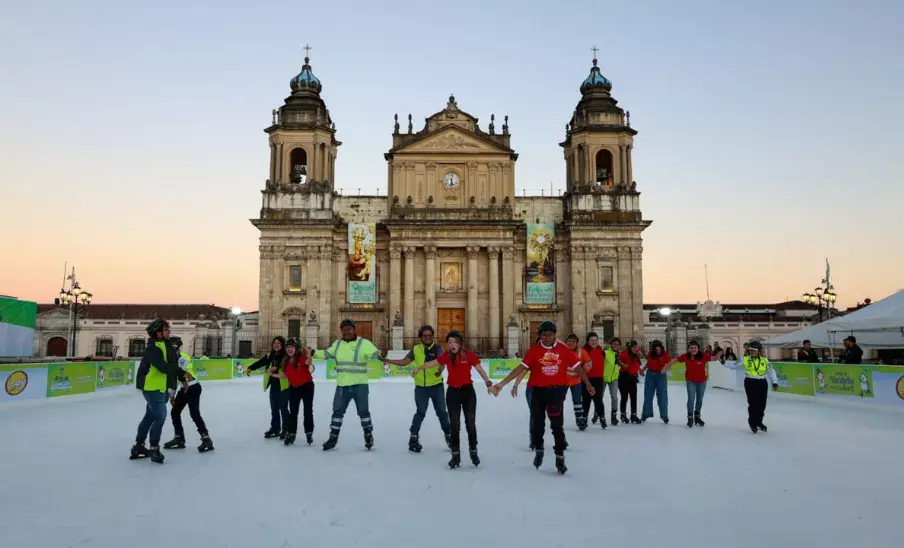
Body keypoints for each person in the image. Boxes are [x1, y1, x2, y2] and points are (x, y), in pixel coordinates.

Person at [493, 321, 595, 475]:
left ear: (555, 335)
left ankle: (560, 457)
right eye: (544, 335)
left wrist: (587, 384)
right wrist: (502, 383)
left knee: (557, 426)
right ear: (540, 335)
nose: (547, 337)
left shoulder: (564, 350)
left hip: (555, 392)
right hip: (538, 392)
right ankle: (539, 449)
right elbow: (520, 369)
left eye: (550, 334)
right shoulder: (534, 351)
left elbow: (578, 368)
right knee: (538, 425)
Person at [310, 319, 383, 451]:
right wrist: (313, 352)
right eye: (343, 330)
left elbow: (374, 354)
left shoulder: (363, 343)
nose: (346, 332)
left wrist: (381, 354)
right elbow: (327, 354)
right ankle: (333, 437)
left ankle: (368, 435)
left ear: (354, 329)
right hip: (342, 385)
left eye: (349, 329)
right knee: (337, 411)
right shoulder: (337, 344)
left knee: (363, 411)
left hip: (360, 385)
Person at [426, 330, 493, 468]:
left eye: (455, 342)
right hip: (452, 393)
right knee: (454, 425)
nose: (452, 344)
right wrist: (420, 367)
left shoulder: (468, 355)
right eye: (450, 342)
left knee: (470, 424)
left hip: (468, 392)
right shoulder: (446, 356)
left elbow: (480, 370)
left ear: (460, 343)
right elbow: (433, 363)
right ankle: (455, 455)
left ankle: (473, 451)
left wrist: (488, 383)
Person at [382, 324, 452, 452]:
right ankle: (413, 437)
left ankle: (449, 436)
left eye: (430, 335)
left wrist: (440, 370)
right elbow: (404, 362)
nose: (428, 337)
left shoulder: (438, 349)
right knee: (420, 412)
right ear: (421, 337)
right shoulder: (415, 349)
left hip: (436, 386)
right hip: (421, 388)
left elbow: (442, 362)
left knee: (442, 412)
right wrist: (389, 361)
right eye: (425, 335)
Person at [131, 319, 177, 464]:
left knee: (150, 417)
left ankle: (139, 446)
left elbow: (172, 366)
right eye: (166, 330)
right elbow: (163, 367)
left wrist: (172, 389)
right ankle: (154, 448)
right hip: (151, 387)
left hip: (161, 387)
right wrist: (182, 373)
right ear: (158, 333)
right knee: (160, 417)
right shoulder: (152, 348)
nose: (169, 332)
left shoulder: (166, 346)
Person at [162, 336, 213, 452]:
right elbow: (176, 377)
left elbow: (181, 374)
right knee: (176, 412)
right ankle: (180, 438)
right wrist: (172, 394)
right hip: (186, 387)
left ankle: (205, 438)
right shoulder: (174, 358)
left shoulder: (181, 358)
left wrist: (173, 393)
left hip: (192, 386)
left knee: (194, 413)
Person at [668, 340, 721, 427]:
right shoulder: (686, 356)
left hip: (702, 381)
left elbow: (713, 358)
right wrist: (667, 365)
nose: (693, 349)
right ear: (689, 349)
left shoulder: (703, 355)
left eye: (695, 348)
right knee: (691, 399)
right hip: (690, 381)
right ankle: (690, 418)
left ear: (698, 349)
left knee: (699, 400)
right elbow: (675, 360)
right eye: (691, 348)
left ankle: (697, 417)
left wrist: (718, 356)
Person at [246, 336, 288, 439]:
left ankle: (286, 430)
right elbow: (261, 362)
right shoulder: (270, 355)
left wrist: (276, 367)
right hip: (274, 384)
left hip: (284, 385)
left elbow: (284, 363)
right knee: (274, 408)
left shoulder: (286, 355)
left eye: (278, 343)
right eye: (274, 343)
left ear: (282, 345)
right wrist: (251, 367)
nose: (276, 345)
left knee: (283, 408)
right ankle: (275, 429)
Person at [281, 337, 315, 446]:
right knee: (293, 412)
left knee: (307, 411)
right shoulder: (286, 360)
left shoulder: (301, 357)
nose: (289, 349)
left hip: (307, 387)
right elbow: (285, 375)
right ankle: (292, 433)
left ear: (297, 348)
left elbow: (308, 362)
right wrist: (273, 374)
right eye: (288, 347)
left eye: (292, 347)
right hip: (293, 388)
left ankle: (309, 432)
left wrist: (309, 354)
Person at [743, 341, 779, 434]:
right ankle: (752, 422)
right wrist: (723, 362)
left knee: (762, 404)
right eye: (750, 350)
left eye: (754, 350)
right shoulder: (745, 359)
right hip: (750, 382)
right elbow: (733, 365)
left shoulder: (765, 360)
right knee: (753, 404)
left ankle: (759, 421)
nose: (752, 352)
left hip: (762, 382)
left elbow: (771, 371)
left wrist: (774, 382)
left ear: (759, 351)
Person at [581, 332, 608, 429]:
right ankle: (584, 418)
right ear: (587, 341)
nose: (594, 342)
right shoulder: (583, 351)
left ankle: (602, 417)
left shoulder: (601, 350)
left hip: (598, 378)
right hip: (586, 378)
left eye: (596, 340)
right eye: (592, 340)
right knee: (586, 399)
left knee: (598, 399)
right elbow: (579, 364)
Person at [564, 333, 591, 430]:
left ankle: (580, 420)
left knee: (578, 401)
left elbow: (589, 363)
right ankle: (557, 420)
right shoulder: (562, 351)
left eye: (573, 341)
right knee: (559, 400)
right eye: (569, 341)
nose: (571, 343)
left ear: (577, 343)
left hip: (576, 381)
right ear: (566, 342)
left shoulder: (582, 352)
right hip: (563, 380)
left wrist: (585, 369)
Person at [641, 340, 670, 423]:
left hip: (661, 375)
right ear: (653, 349)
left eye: (659, 349)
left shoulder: (665, 354)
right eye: (656, 349)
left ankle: (664, 415)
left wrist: (665, 369)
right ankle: (645, 414)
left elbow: (669, 364)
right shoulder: (650, 354)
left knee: (662, 396)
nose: (658, 350)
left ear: (661, 348)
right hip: (650, 375)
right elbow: (648, 363)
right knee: (648, 395)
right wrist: (643, 369)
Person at [617, 340, 643, 424]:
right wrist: (622, 364)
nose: (635, 349)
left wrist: (640, 370)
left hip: (632, 377)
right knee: (624, 396)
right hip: (623, 376)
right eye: (633, 347)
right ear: (629, 347)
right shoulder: (624, 353)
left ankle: (633, 415)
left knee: (633, 396)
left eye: (636, 347)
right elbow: (617, 360)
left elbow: (636, 364)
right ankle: (623, 415)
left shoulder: (636, 354)